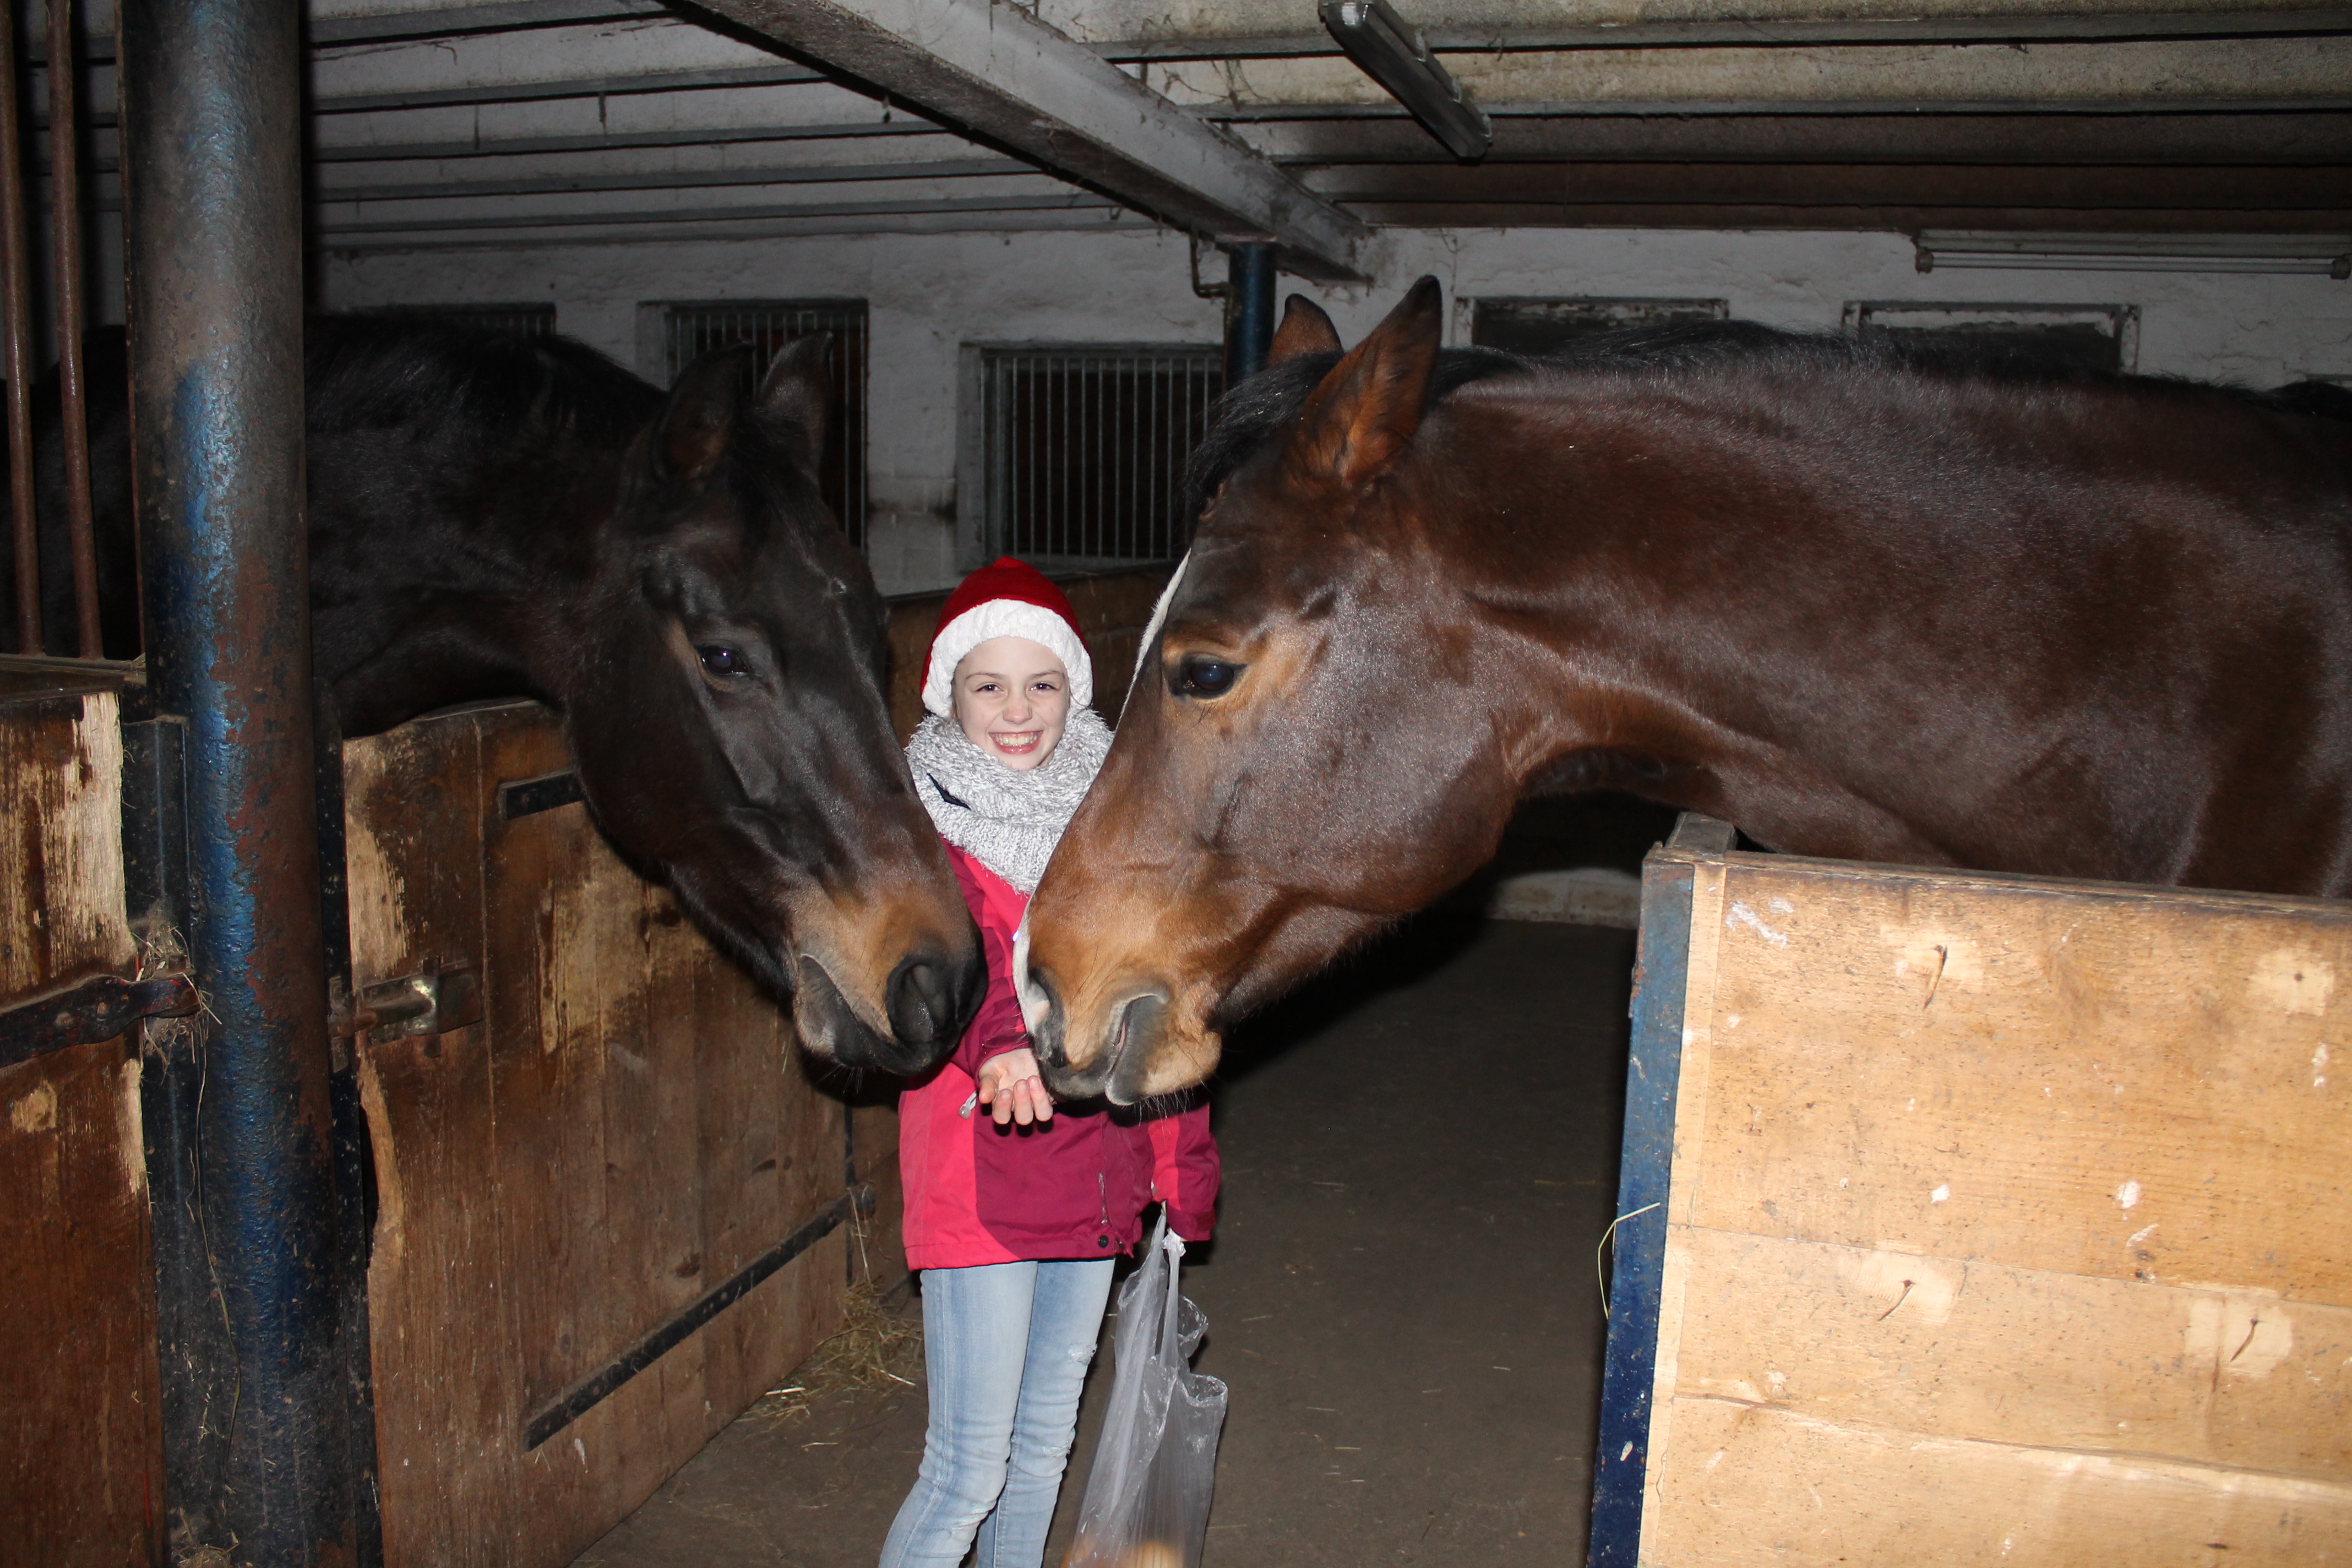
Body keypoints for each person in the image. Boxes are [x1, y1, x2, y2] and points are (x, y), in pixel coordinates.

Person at [881, 557, 1219, 1568]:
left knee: (1040, 1453)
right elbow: (958, 950)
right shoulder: (918, 829)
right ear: (949, 694)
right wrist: (1000, 1044)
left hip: (1095, 1172)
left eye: (1043, 684)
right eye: (989, 685)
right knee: (969, 1468)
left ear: (1075, 690)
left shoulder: (1116, 829)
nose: (1018, 710)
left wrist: (1181, 1173)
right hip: (980, 1173)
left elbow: (1160, 999)